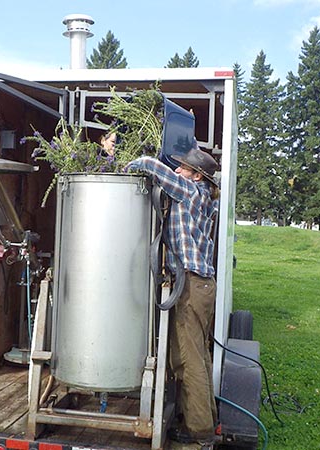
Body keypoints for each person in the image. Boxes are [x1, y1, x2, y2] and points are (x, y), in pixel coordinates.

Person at [125, 143, 220, 449]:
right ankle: (203, 422)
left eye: (183, 168)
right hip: (201, 286)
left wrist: (124, 168)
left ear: (196, 176)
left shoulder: (191, 192)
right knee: (196, 357)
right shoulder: (203, 197)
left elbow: (150, 165)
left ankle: (201, 435)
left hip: (192, 287)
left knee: (191, 362)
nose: (178, 170)